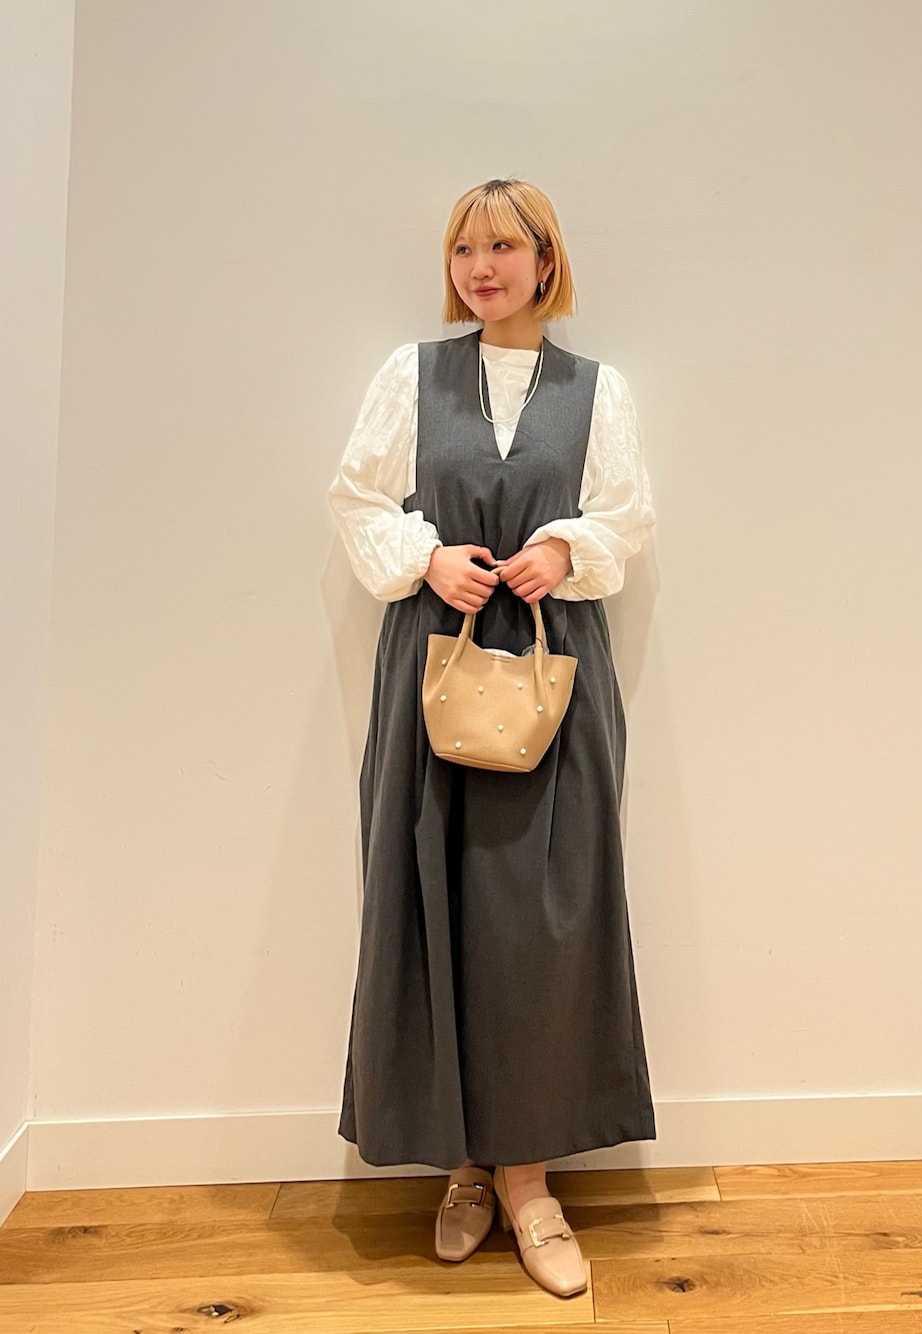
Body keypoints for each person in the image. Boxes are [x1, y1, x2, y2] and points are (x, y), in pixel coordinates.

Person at [327, 177, 656, 1299]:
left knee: (541, 922)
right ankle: (463, 1163)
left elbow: (625, 514)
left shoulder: (597, 389)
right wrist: (427, 556)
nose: (482, 267)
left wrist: (563, 547)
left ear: (545, 260)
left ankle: (529, 1178)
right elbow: (357, 499)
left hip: (555, 677)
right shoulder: (408, 374)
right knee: (433, 897)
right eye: (465, 248)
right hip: (433, 665)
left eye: (504, 247)